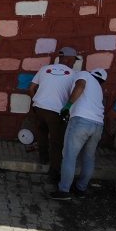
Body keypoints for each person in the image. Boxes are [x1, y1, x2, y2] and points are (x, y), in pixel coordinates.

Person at [50, 68, 107, 200]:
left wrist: (67, 106)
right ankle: (81, 189)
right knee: (88, 158)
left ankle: (64, 190)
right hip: (98, 124)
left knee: (70, 156)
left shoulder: (85, 74)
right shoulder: (99, 89)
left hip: (81, 121)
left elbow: (80, 85)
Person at [28, 47, 78, 180]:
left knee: (42, 131)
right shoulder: (73, 74)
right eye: (73, 61)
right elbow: (75, 94)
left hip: (39, 107)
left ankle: (43, 156)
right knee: (57, 142)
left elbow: (31, 88)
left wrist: (35, 101)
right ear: (69, 59)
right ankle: (54, 172)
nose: (73, 63)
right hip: (56, 112)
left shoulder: (44, 69)